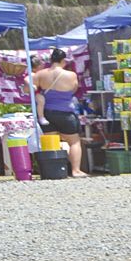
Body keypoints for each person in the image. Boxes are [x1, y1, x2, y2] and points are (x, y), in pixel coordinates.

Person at [33, 48, 87, 177]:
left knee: (52, 141)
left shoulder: (40, 74)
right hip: (65, 113)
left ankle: (54, 170)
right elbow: (74, 89)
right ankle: (75, 170)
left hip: (46, 113)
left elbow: (32, 89)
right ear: (63, 60)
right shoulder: (71, 75)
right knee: (74, 141)